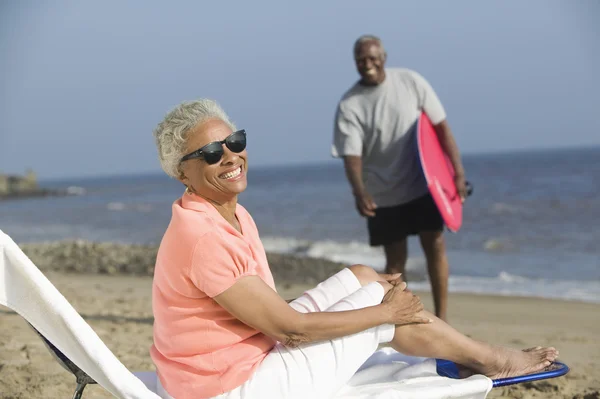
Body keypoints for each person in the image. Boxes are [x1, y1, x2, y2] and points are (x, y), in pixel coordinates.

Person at [150, 99, 557, 399]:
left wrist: (359, 302)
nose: (230, 156)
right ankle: (490, 358)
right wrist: (383, 313)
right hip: (229, 387)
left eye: (234, 141)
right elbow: (288, 329)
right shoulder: (202, 236)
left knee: (363, 275)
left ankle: (461, 348)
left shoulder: (227, 214)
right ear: (181, 171)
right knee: (382, 304)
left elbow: (267, 311)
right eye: (210, 152)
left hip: (233, 360)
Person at [332, 34, 465, 321]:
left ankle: (442, 317)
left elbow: (441, 129)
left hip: (423, 184)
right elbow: (351, 156)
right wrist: (359, 191)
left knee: (435, 246)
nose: (367, 64)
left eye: (372, 58)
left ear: (383, 58)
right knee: (394, 263)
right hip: (382, 193)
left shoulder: (410, 82)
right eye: (360, 59)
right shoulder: (350, 104)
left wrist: (456, 173)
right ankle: (399, 319)